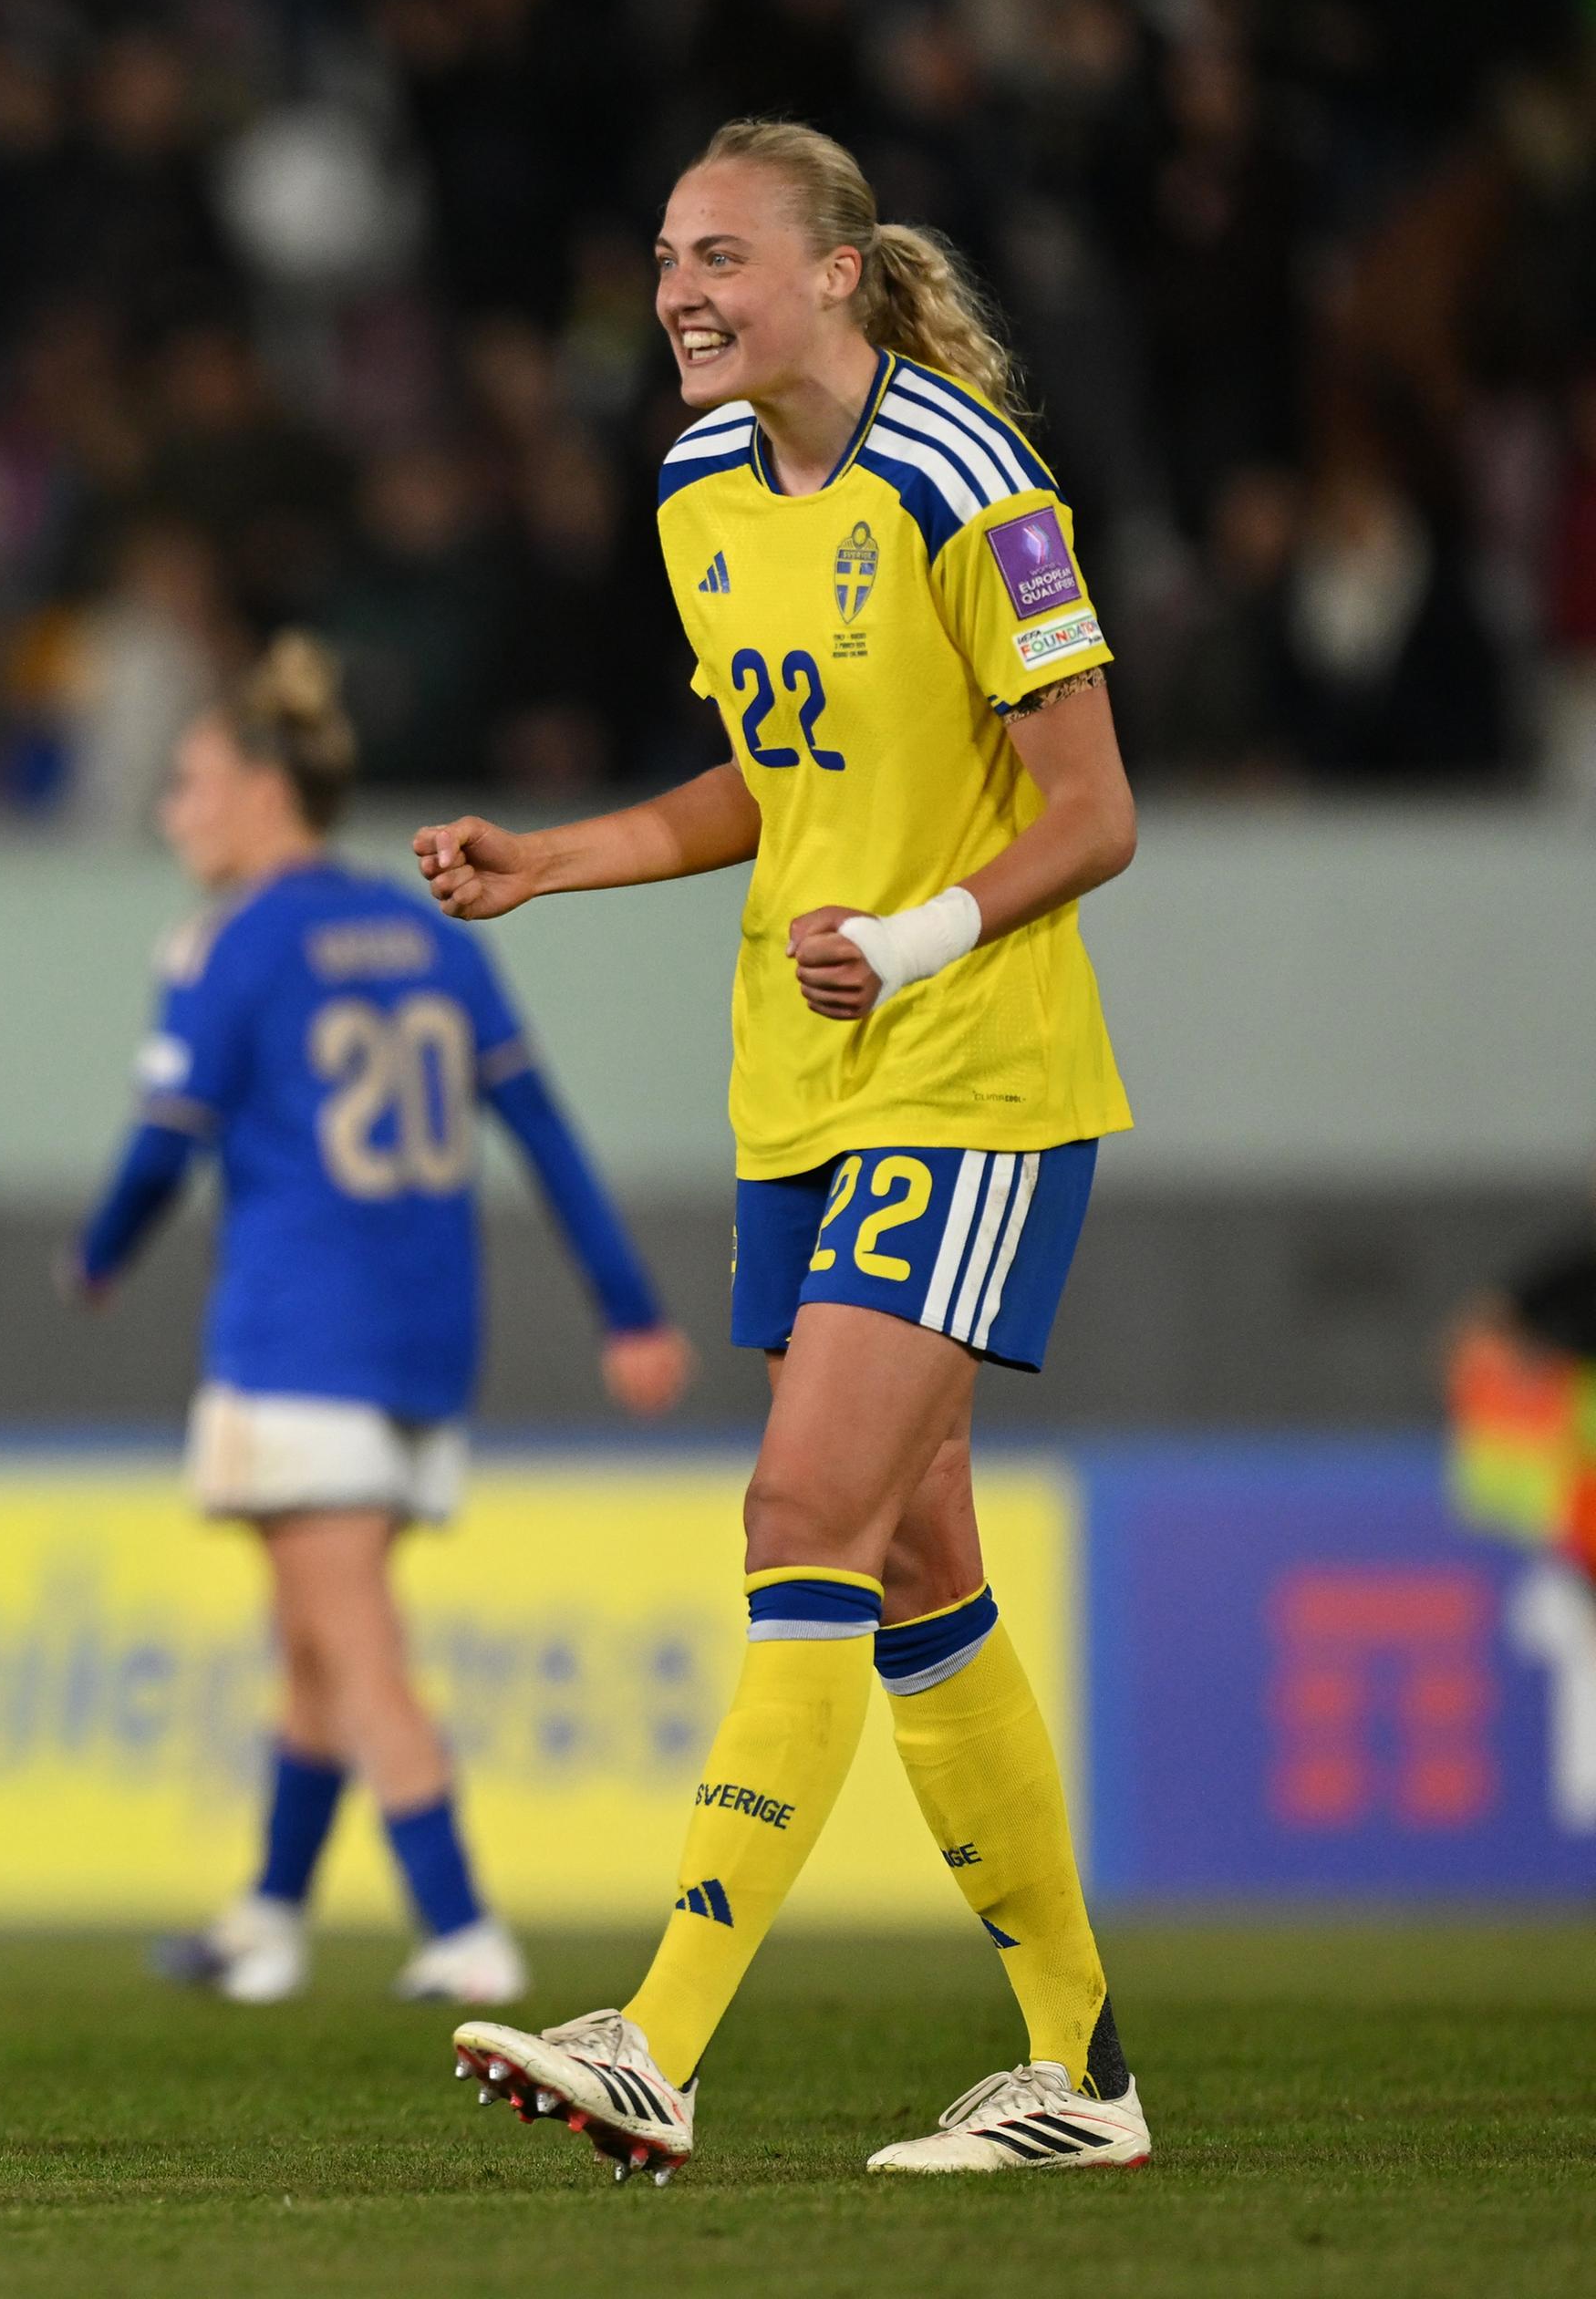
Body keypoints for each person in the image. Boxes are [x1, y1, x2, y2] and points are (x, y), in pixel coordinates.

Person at [420, 120, 1148, 2181]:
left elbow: (1093, 807)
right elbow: (776, 775)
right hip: (799, 1087)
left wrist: (917, 937)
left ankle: (656, 2031)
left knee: (802, 1505)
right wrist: (552, 859)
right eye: (663, 254)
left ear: (837, 272)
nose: (678, 290)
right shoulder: (693, 487)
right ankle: (1080, 2073)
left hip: (970, 1070)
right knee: (915, 1556)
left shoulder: (970, 479)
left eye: (721, 252)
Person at [74, 634, 691, 2013]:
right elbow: (541, 1128)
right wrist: (630, 1307)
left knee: (349, 1640)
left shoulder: (233, 946)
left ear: (260, 789)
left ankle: (464, 1925)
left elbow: (162, 1148)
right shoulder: (425, 935)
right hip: (424, 1337)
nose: (176, 811)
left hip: (301, 1337)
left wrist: (99, 1256)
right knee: (313, 1639)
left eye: (190, 781)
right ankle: (268, 1922)